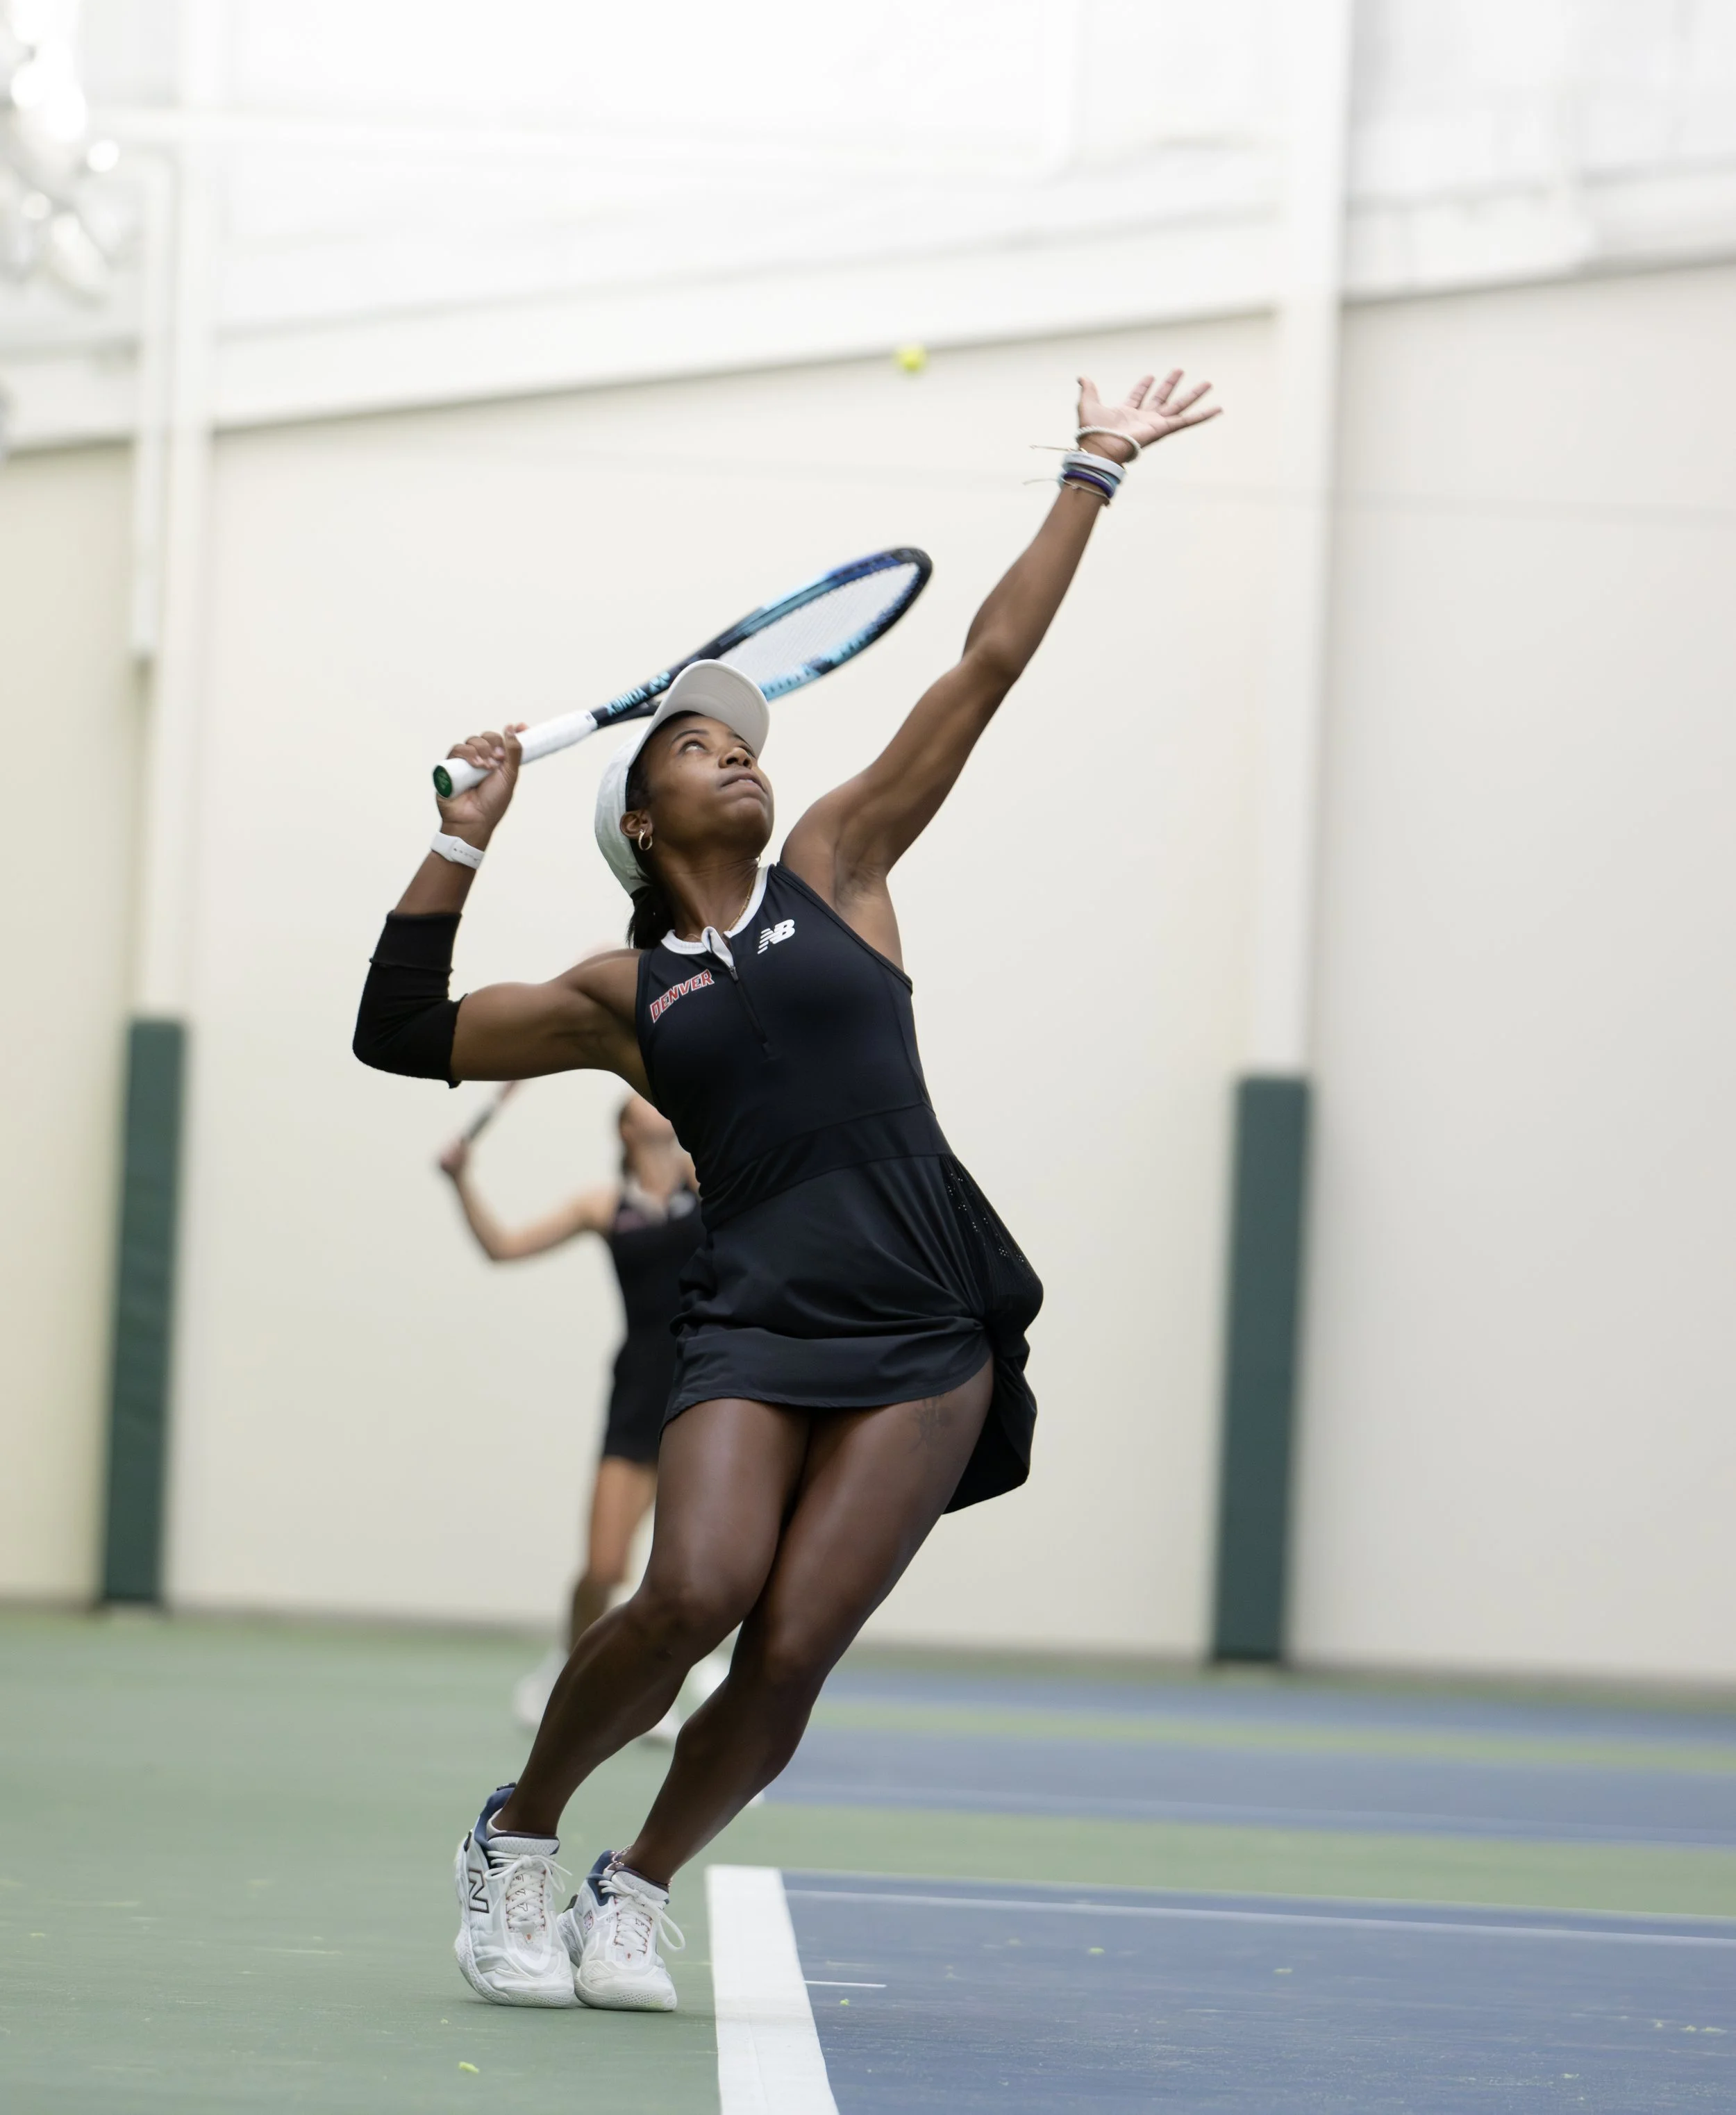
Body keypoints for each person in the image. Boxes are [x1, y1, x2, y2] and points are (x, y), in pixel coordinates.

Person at [353, 370, 1219, 2016]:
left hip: (926, 1310)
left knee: (795, 1641)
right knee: (692, 1587)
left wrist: (1090, 471)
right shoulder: (620, 987)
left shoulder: (841, 862)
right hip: (753, 1310)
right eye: (694, 745)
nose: (734, 757)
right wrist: (461, 840)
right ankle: (519, 1831)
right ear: (635, 811)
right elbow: (399, 1032)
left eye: (741, 741)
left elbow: (987, 661)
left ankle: (639, 1883)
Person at [436, 1091, 728, 1736]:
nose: (654, 1104)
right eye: (639, 1102)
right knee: (602, 1570)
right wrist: (462, 1182)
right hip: (635, 1392)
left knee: (691, 1564)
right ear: (625, 1128)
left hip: (705, 1388)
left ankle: (666, 1692)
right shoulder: (604, 1207)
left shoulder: (712, 1185)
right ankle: (566, 1668)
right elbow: (503, 1247)